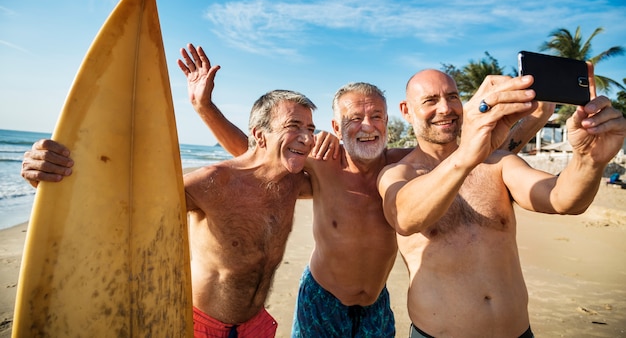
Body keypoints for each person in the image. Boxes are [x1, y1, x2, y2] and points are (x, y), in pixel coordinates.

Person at [175, 44, 555, 337]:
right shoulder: (323, 165)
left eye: (376, 116)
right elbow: (260, 155)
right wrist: (205, 107)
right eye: (354, 118)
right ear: (337, 126)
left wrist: (535, 116)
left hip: (376, 303)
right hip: (322, 299)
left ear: (390, 120)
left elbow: (485, 148)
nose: (367, 125)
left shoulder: (409, 166)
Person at [22, 89, 318, 338]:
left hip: (256, 326)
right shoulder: (213, 181)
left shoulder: (294, 183)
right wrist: (53, 178)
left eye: (311, 128)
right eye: (294, 125)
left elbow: (350, 183)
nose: (307, 138)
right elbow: (125, 204)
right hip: (200, 325)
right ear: (260, 135)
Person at [376, 69, 626, 338]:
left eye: (452, 97)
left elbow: (563, 199)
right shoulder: (398, 173)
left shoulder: (497, 163)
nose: (445, 108)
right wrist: (467, 155)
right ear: (406, 110)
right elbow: (405, 217)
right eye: (430, 101)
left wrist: (589, 160)